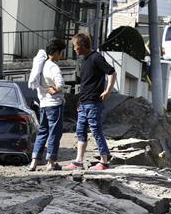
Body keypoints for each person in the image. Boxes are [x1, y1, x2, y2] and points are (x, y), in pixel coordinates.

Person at [64, 32, 116, 171]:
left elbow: (112, 72)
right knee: (80, 131)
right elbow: (85, 84)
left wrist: (108, 91)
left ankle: (104, 162)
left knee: (96, 131)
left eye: (75, 46)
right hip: (83, 103)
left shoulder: (96, 58)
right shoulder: (83, 61)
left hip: (93, 103)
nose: (74, 49)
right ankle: (78, 161)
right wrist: (79, 101)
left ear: (82, 45)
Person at [27, 38, 66, 171]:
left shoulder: (40, 65)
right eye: (60, 52)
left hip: (43, 105)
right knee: (54, 133)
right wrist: (56, 89)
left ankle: (34, 161)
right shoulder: (53, 66)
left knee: (42, 132)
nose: (61, 56)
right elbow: (60, 83)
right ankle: (51, 162)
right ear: (55, 52)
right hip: (54, 104)